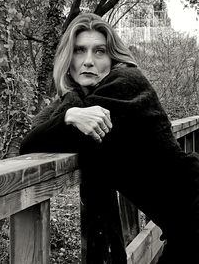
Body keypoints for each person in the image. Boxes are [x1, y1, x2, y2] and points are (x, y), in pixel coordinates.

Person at [19, 13, 199, 264]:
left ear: (112, 57)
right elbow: (34, 137)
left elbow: (32, 141)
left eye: (100, 51)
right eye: (80, 51)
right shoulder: (89, 103)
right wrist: (71, 113)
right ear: (67, 59)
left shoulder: (126, 84)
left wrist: (69, 114)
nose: (89, 61)